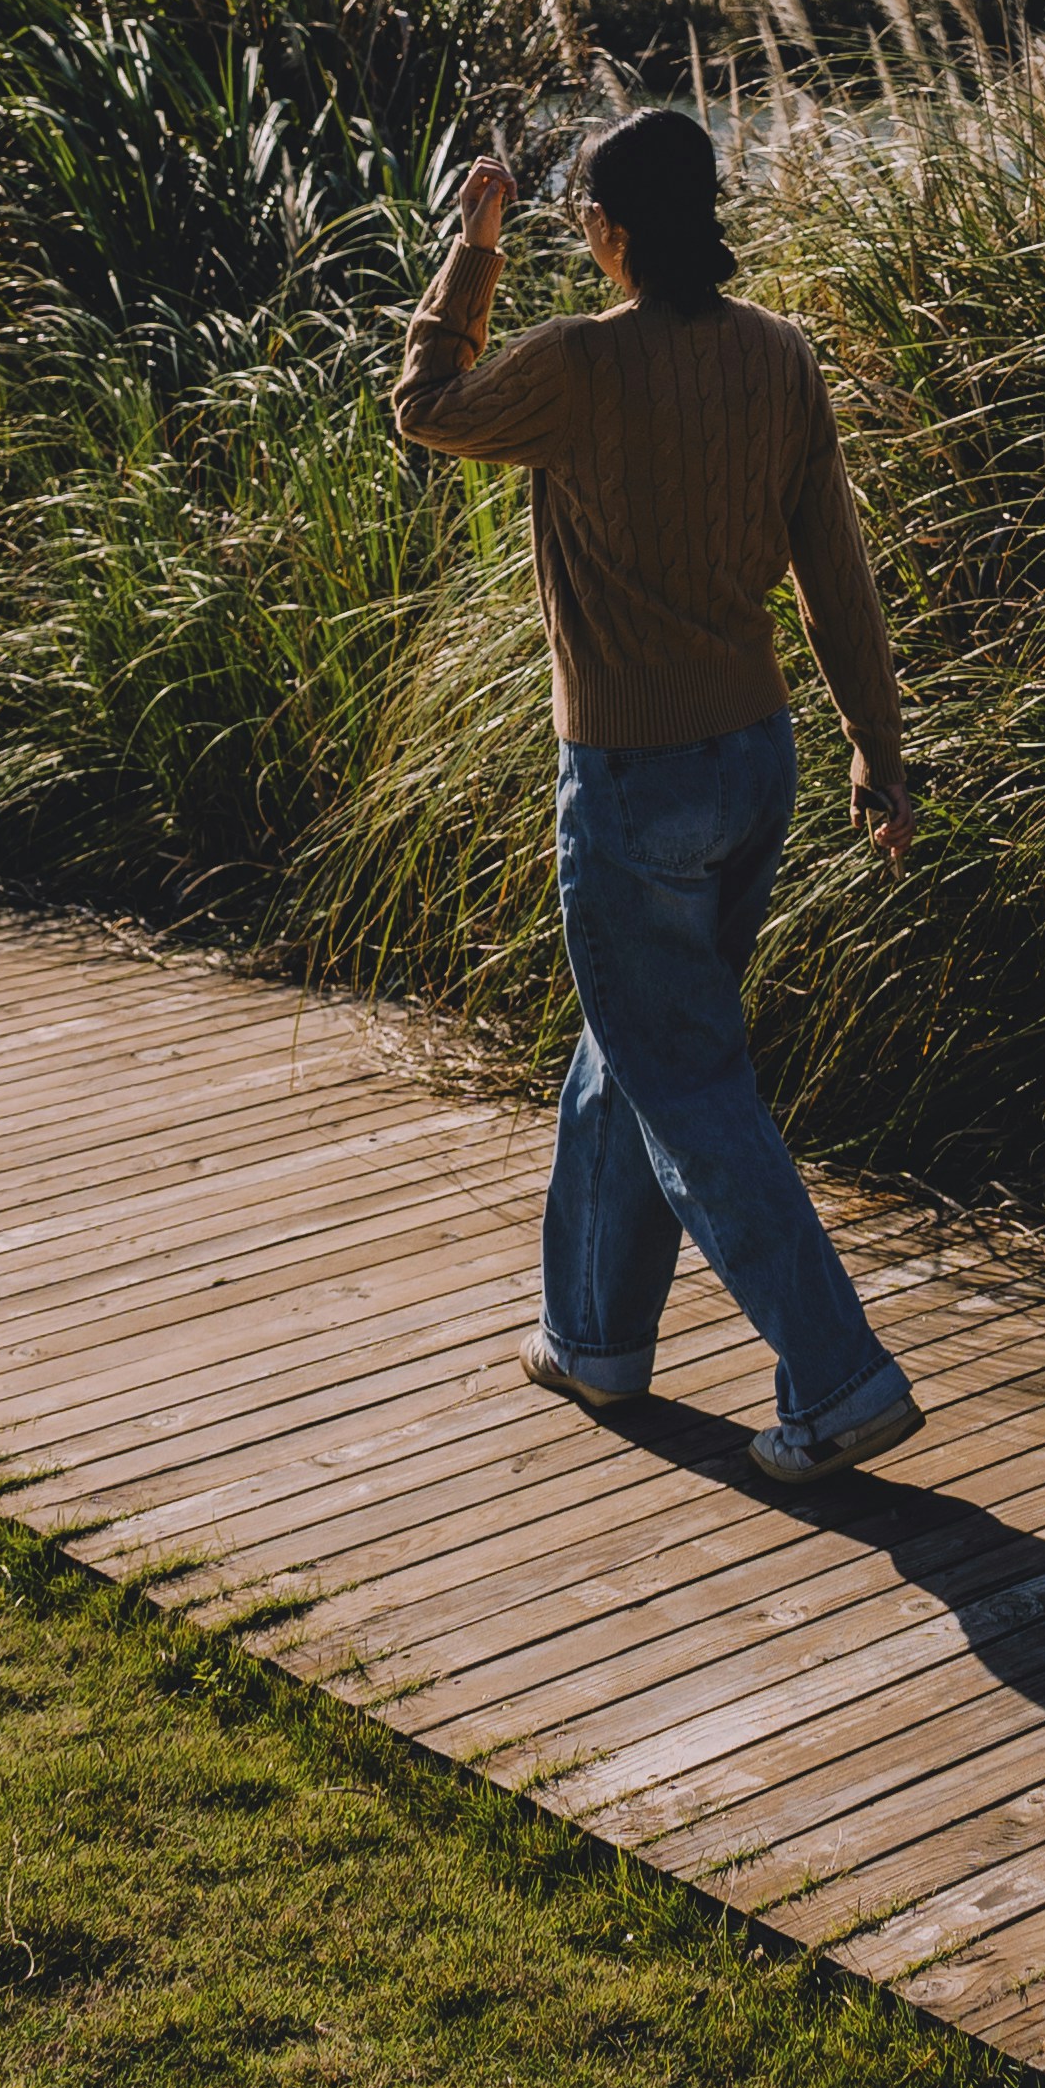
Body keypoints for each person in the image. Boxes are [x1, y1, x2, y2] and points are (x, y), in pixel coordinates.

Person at [395, 104, 928, 1483]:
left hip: (635, 779)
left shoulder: (580, 365)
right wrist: (879, 742)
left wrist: (473, 249)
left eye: (585, 223)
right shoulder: (779, 357)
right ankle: (596, 1338)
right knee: (634, 1047)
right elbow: (833, 568)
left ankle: (839, 1375)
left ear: (617, 237)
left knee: (682, 1072)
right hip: (758, 763)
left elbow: (425, 410)